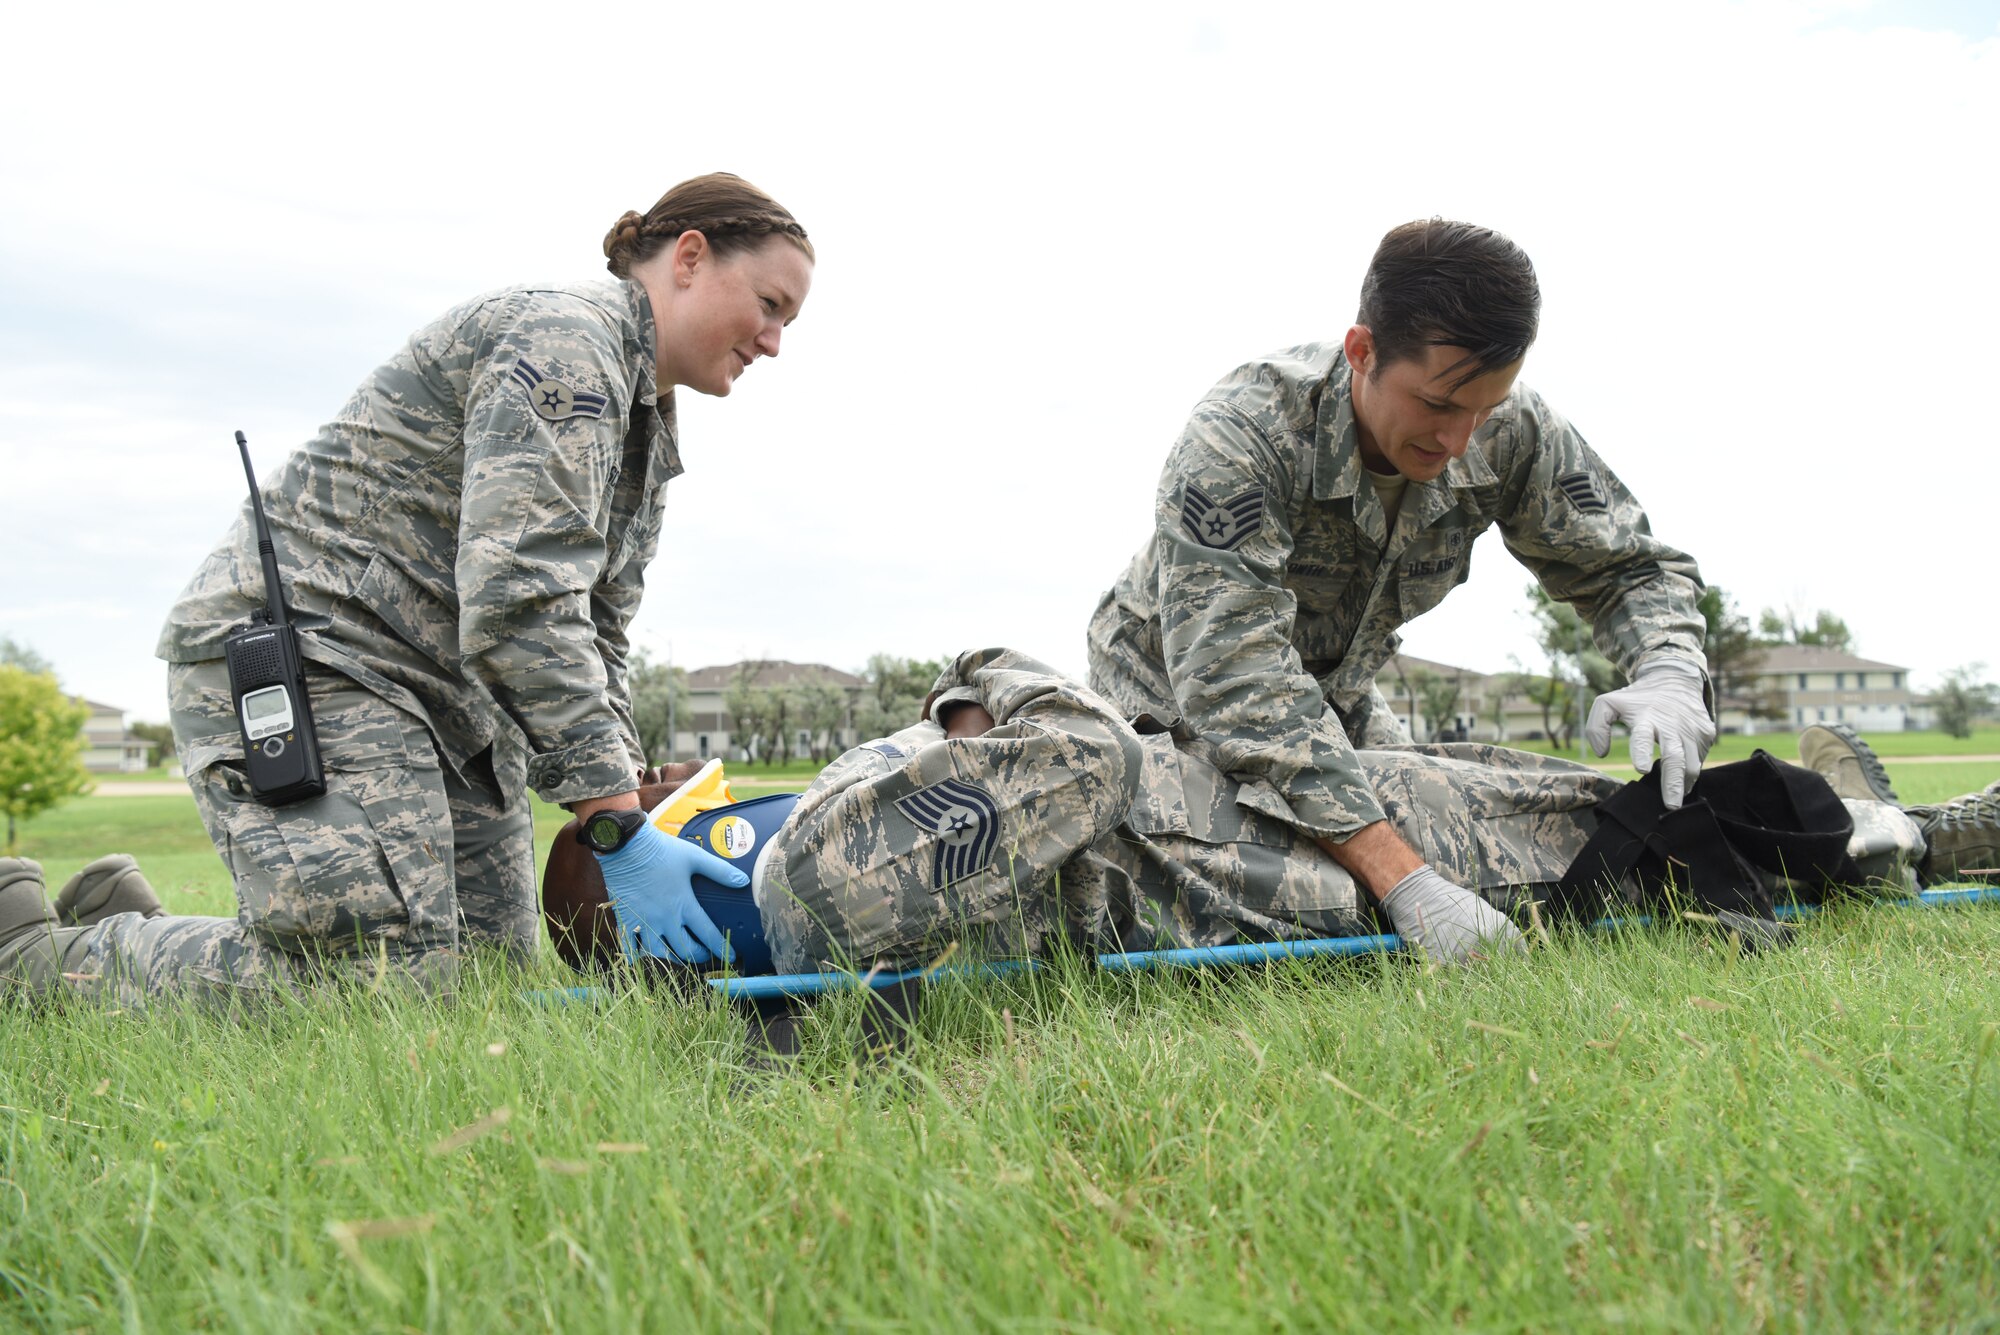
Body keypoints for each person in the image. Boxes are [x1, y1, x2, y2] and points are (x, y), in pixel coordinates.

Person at [0, 173, 813, 1007]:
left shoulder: (645, 418)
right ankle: (30, 953)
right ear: (688, 258)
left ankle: (123, 925)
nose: (776, 340)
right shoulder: (567, 341)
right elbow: (519, 599)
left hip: (444, 703)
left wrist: (631, 783)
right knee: (379, 988)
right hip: (318, 656)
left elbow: (596, 631)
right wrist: (616, 824)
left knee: (484, 990)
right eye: (770, 302)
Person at [545, 649, 1996, 989]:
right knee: (1631, 839)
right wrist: (978, 696)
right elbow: (1084, 748)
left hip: (1262, 822)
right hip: (1266, 848)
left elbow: (1063, 754)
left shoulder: (813, 903)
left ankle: (1895, 820)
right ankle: (1927, 831)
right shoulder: (821, 872)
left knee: (1618, 819)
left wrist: (962, 705)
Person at [1086, 219, 1717, 965]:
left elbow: (1627, 566)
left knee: (1459, 821)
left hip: (1339, 700)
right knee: (1264, 884)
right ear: (1363, 352)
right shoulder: (1244, 433)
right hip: (1168, 708)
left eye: (1485, 408)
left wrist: (1670, 667)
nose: (1460, 440)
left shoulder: (1507, 428)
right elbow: (1233, 678)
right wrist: (1404, 879)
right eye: (1439, 405)